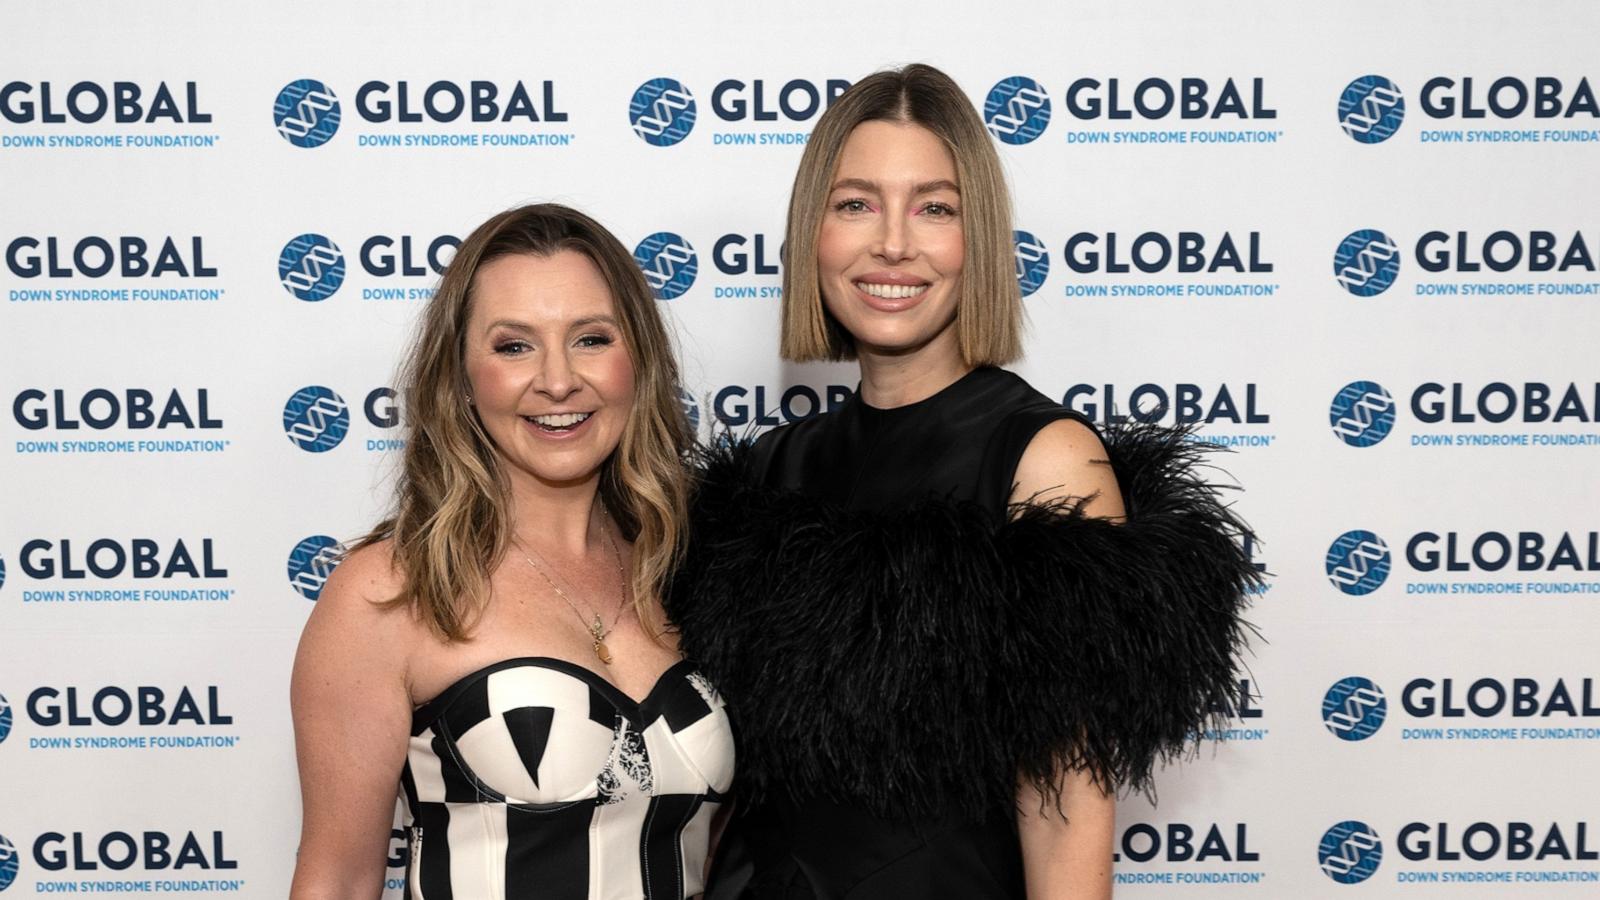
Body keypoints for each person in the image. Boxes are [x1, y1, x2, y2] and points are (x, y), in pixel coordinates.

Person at [666, 65, 1257, 899]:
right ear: (814, 234)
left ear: (975, 238)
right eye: (856, 203)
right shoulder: (770, 468)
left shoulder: (1044, 460)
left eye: (934, 207)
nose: (894, 243)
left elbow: (1066, 811)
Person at [289, 204, 733, 900]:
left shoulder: (694, 568)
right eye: (514, 346)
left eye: (590, 338)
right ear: (461, 378)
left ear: (637, 361)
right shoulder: (389, 592)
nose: (557, 381)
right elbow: (338, 883)